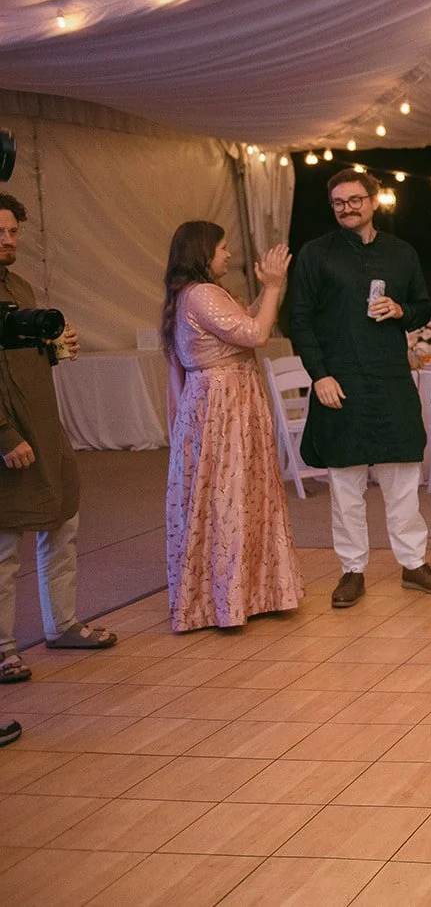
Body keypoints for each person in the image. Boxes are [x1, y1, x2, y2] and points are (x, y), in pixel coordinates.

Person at [289, 168, 431, 608]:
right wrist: (319, 376)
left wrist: (401, 309)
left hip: (389, 379)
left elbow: (422, 308)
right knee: (345, 483)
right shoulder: (316, 253)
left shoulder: (401, 253)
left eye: (355, 200)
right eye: (338, 203)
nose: (347, 208)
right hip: (338, 379)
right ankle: (352, 570)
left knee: (403, 477)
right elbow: (299, 320)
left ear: (373, 201)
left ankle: (414, 564)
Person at [162, 221, 303, 631]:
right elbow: (255, 334)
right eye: (222, 248)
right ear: (203, 252)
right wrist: (272, 287)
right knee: (230, 492)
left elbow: (242, 323)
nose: (228, 254)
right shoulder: (201, 294)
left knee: (236, 492)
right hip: (224, 403)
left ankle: (245, 593)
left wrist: (269, 289)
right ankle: (229, 600)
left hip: (228, 400)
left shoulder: (202, 293)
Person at [1, 191, 114, 685]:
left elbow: (23, 358)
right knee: (5, 548)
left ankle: (62, 624)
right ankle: (3, 650)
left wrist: (54, 348)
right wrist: (5, 436)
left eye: (13, 231)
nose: (8, 239)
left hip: (46, 431)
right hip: (11, 440)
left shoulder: (20, 286)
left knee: (62, 527)